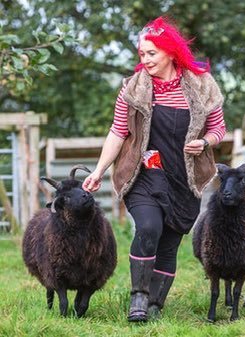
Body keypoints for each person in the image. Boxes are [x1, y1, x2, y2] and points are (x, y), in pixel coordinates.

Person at [82, 16, 225, 322]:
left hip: (184, 177)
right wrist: (97, 171)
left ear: (171, 53)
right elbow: (118, 132)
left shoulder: (202, 85)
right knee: (148, 227)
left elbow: (218, 128)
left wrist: (205, 143)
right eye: (141, 54)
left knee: (170, 242)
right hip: (144, 173)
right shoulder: (133, 89)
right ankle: (138, 298)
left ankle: (156, 304)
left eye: (151, 53)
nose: (145, 60)